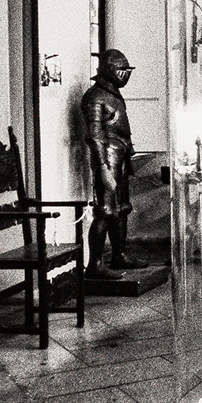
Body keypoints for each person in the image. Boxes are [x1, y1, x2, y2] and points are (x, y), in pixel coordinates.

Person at [81, 49, 142, 279]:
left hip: (121, 156)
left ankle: (119, 255)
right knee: (105, 211)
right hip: (107, 157)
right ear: (108, 70)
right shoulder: (95, 96)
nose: (125, 74)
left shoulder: (113, 94)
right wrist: (103, 167)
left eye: (127, 70)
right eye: (121, 70)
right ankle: (94, 265)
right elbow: (96, 136)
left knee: (122, 208)